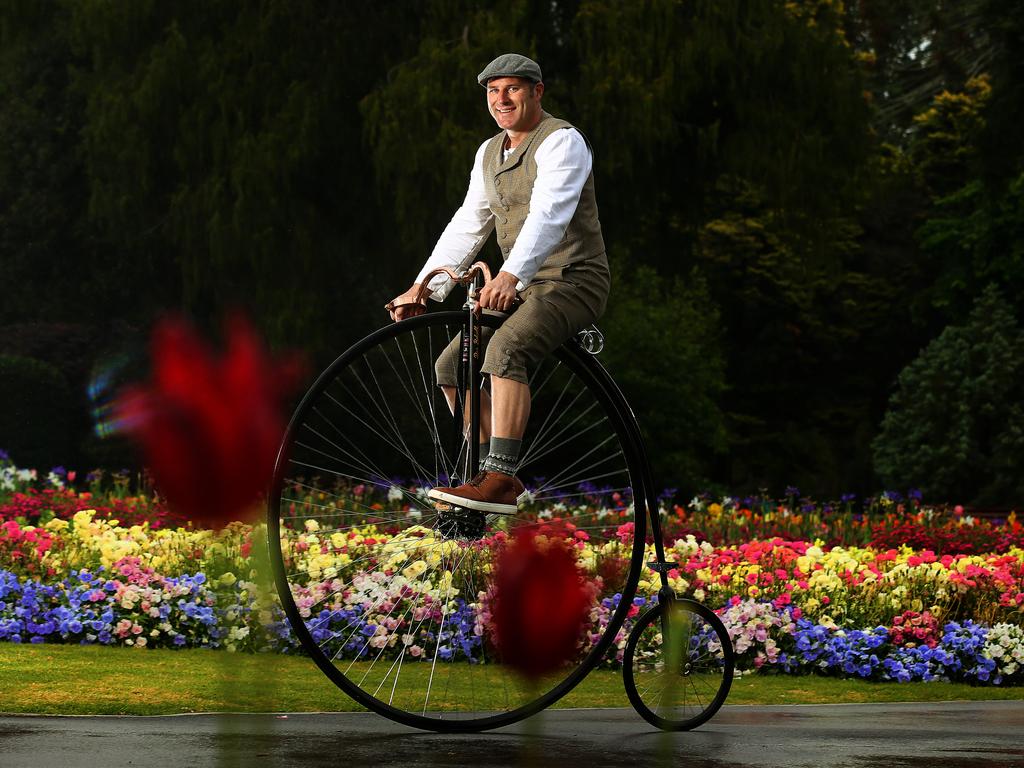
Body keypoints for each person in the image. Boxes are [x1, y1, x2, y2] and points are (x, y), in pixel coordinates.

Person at [388, 53, 610, 514]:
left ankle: (499, 476)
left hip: (572, 280)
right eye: (493, 91)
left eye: (512, 89)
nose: (501, 99)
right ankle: (490, 476)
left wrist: (511, 274)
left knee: (505, 351)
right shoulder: (489, 152)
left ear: (537, 92)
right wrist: (423, 289)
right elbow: (469, 222)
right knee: (452, 366)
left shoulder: (561, 141)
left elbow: (550, 214)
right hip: (522, 284)